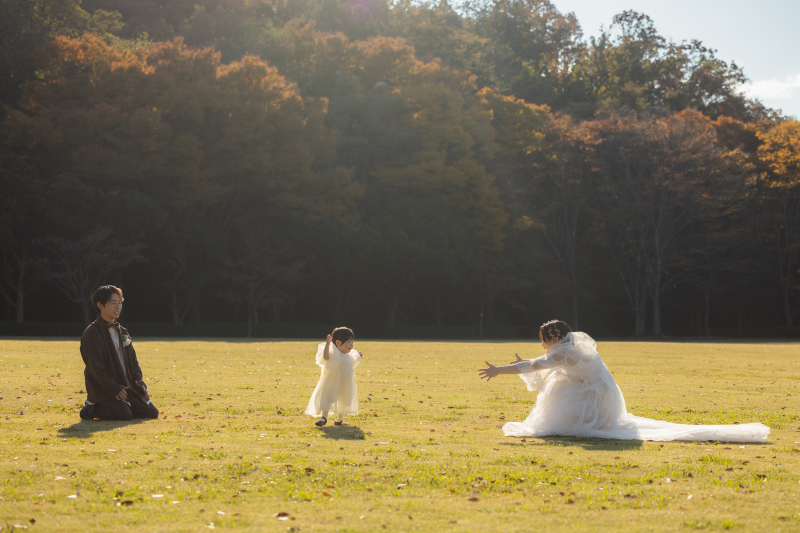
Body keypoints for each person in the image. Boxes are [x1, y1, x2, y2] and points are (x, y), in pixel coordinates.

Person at [478, 319, 769, 442]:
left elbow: (539, 363)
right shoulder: (571, 349)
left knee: (556, 401)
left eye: (543, 340)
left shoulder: (561, 353)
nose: (542, 345)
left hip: (593, 401)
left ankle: (581, 422)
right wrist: (525, 364)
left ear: (552, 339)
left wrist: (498, 370)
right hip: (603, 397)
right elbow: (544, 363)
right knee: (558, 384)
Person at [79, 285, 159, 421]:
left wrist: (138, 381)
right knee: (124, 415)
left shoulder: (123, 331)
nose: (118, 307)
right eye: (113, 303)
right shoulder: (92, 333)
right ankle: (92, 407)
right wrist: (114, 388)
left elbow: (133, 360)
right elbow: (95, 369)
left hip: (126, 387)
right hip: (105, 388)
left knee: (152, 413)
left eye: (120, 303)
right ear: (100, 305)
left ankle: (124, 405)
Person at [305, 327, 363, 427]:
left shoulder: (349, 355)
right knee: (328, 396)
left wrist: (358, 356)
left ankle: (339, 420)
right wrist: (328, 343)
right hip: (333, 381)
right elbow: (326, 357)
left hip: (345, 382)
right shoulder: (334, 354)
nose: (351, 345)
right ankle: (324, 417)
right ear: (338, 343)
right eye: (348, 342)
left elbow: (352, 363)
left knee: (343, 399)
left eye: (352, 342)